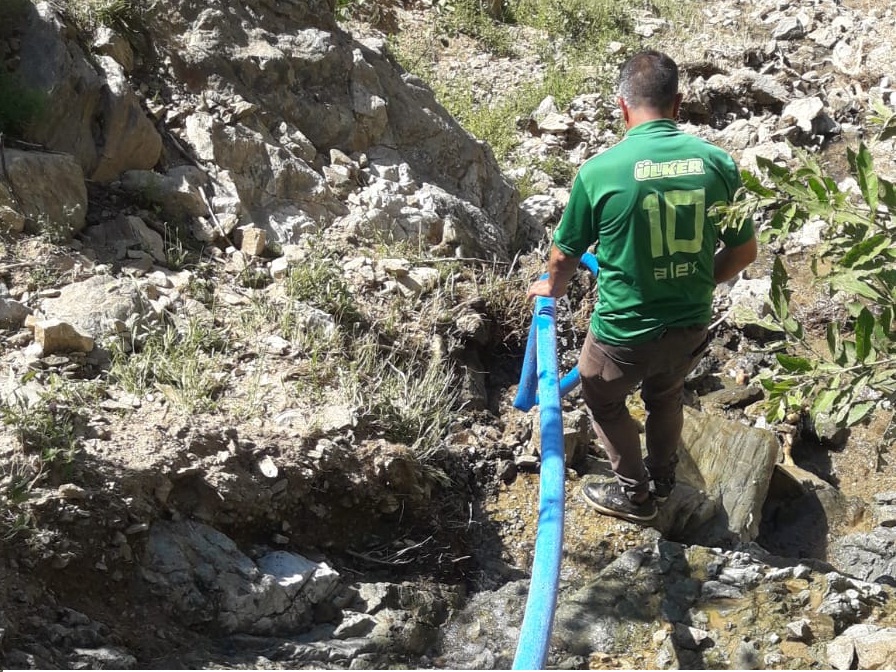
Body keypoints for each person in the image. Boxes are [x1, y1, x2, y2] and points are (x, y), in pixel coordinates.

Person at [527, 50, 757, 524]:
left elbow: (565, 254)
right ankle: (666, 480)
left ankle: (636, 497)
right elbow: (744, 252)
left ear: (621, 107)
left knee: (604, 400)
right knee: (667, 395)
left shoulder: (600, 171)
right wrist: (696, 282)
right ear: (678, 104)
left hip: (623, 331)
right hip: (690, 323)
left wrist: (549, 287)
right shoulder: (718, 164)